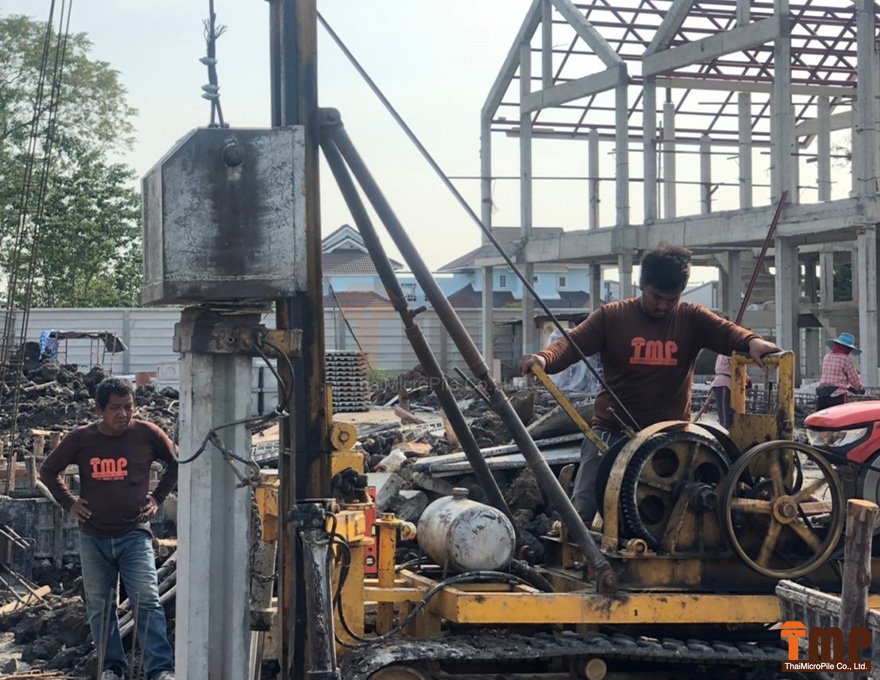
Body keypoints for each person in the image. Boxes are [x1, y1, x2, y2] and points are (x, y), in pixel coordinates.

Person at [519, 243, 779, 523]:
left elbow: (727, 332)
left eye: (672, 299)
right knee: (584, 507)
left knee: (664, 517)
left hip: (669, 442)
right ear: (642, 284)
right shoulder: (612, 317)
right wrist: (543, 359)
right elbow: (571, 344)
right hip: (611, 433)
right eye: (657, 297)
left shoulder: (691, 318)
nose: (664, 306)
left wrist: (752, 341)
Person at [40, 377, 178, 680]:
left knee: (147, 600)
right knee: (100, 607)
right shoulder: (82, 439)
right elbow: (48, 470)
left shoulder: (147, 434)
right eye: (115, 408)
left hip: (135, 534)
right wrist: (69, 502)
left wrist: (157, 498)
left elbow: (177, 462)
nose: (123, 414)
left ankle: (160, 669)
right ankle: (113, 667)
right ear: (100, 409)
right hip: (94, 536)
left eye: (128, 406)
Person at [815, 332, 865, 410]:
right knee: (840, 417)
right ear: (847, 349)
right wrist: (860, 388)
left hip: (822, 395)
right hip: (837, 397)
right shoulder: (845, 359)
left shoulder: (826, 357)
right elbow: (854, 379)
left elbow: (833, 378)